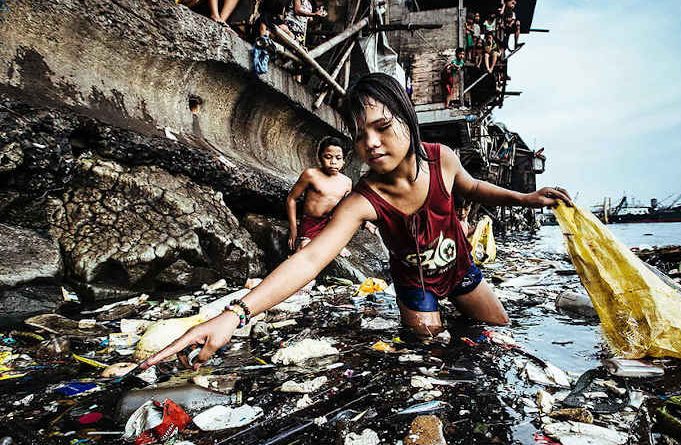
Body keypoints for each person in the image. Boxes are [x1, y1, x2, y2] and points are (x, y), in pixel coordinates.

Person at [142, 73, 571, 370]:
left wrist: (526, 198)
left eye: (383, 126)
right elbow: (310, 262)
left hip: (460, 270)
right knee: (430, 346)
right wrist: (235, 313)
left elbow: (474, 188)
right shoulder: (363, 199)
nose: (371, 142)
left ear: (408, 118)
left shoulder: (442, 160)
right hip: (415, 284)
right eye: (360, 134)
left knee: (499, 332)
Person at [286, 136, 352, 253]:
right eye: (328, 157)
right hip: (310, 223)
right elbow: (291, 199)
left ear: (343, 161)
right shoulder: (311, 174)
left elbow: (346, 210)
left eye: (338, 158)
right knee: (305, 248)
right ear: (320, 157)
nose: (333, 162)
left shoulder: (347, 182)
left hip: (330, 224)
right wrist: (293, 228)